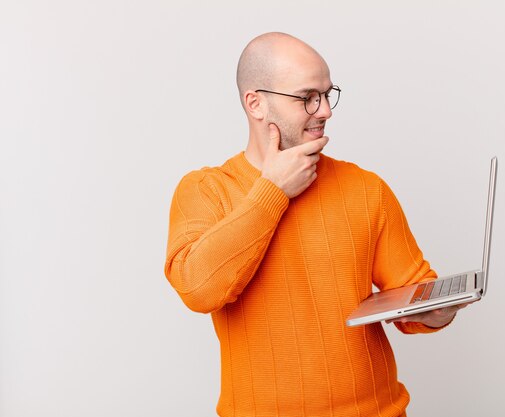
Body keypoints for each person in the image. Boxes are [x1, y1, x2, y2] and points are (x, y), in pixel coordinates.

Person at [164, 32, 468, 417]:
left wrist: (436, 311)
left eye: (328, 94)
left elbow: (412, 289)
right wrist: (272, 191)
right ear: (256, 104)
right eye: (308, 97)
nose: (325, 110)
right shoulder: (205, 191)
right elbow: (198, 290)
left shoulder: (365, 188)